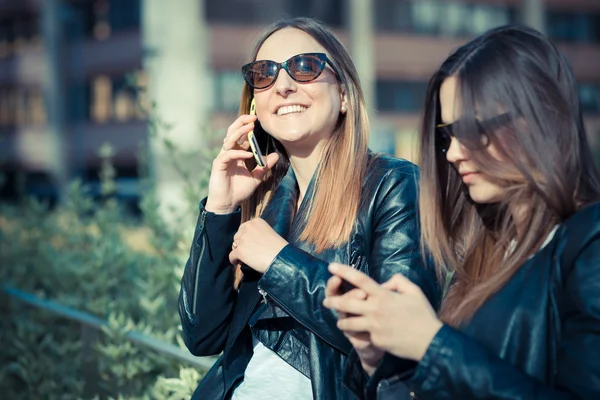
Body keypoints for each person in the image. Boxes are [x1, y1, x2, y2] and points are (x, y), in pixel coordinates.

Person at [323, 25, 600, 399]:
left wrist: (431, 343)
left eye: (470, 128)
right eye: (446, 136)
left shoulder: (589, 242)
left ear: (537, 115)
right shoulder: (482, 255)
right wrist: (380, 358)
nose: (453, 152)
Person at [178, 17, 440, 400]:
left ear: (345, 95)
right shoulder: (269, 202)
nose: (283, 85)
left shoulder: (393, 185)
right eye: (264, 74)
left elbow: (401, 345)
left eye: (305, 67)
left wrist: (280, 260)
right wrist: (220, 209)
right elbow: (203, 335)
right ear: (254, 104)